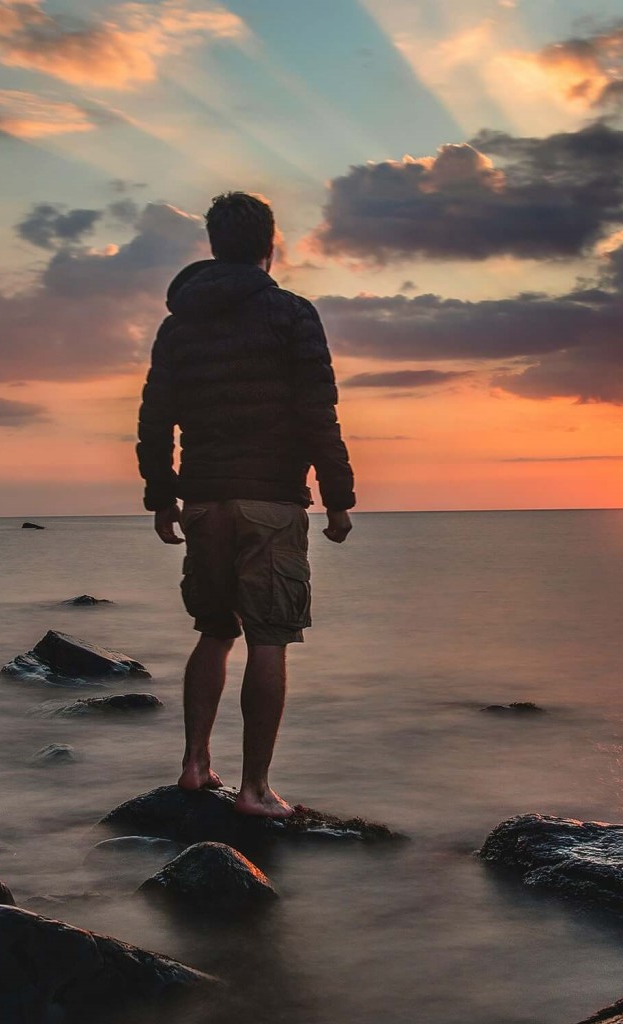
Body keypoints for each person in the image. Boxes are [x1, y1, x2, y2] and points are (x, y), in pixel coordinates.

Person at [136, 191, 356, 819]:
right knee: (269, 638)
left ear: (213, 244)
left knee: (213, 631)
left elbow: (155, 418)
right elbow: (318, 410)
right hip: (271, 501)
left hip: (203, 501)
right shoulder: (291, 314)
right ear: (269, 244)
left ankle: (194, 765)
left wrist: (161, 495)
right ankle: (255, 790)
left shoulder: (179, 325)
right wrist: (337, 499)